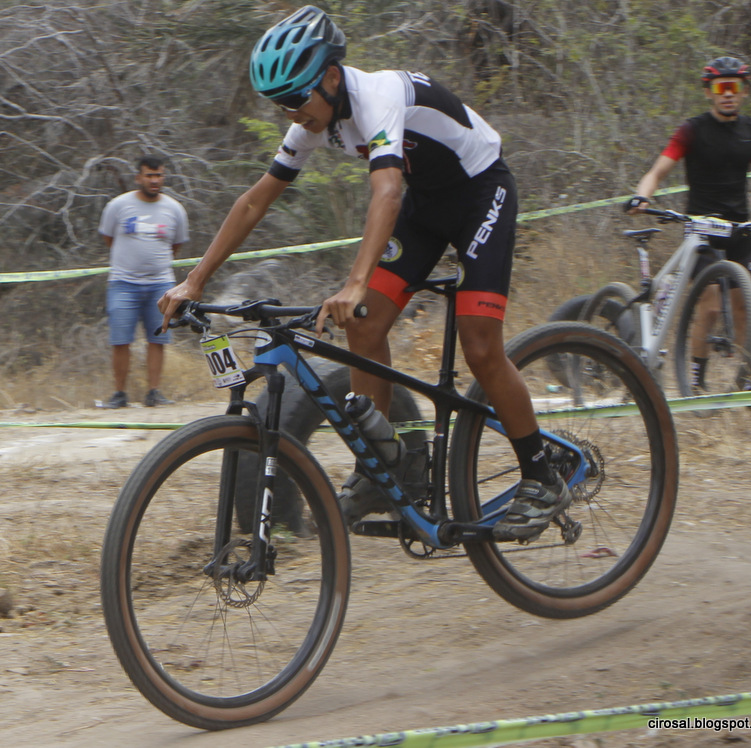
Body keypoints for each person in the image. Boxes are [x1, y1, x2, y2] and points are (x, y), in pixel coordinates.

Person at [158, 5, 570, 541]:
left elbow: (387, 191)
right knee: (364, 323)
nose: (289, 114)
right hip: (427, 203)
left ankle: (541, 475)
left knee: (480, 345)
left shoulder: (377, 96)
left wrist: (355, 282)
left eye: (295, 100)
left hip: (481, 192)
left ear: (331, 77)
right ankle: (382, 467)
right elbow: (255, 201)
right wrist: (195, 279)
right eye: (279, 104)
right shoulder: (314, 118)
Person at [625, 55, 751, 392]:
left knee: (744, 305)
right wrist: (642, 197)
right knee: (709, 306)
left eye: (734, 87)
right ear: (709, 92)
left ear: (744, 91)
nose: (728, 94)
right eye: (721, 88)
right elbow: (658, 171)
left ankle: (748, 382)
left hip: (739, 228)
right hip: (701, 229)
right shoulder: (692, 130)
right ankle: (696, 383)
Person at [99, 156, 189, 408]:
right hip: (123, 283)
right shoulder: (118, 205)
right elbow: (108, 238)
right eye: (149, 175)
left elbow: (176, 244)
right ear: (138, 178)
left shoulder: (174, 209)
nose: (154, 180)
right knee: (120, 339)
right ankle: (119, 394)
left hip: (160, 284)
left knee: (158, 337)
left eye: (158, 175)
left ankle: (154, 392)